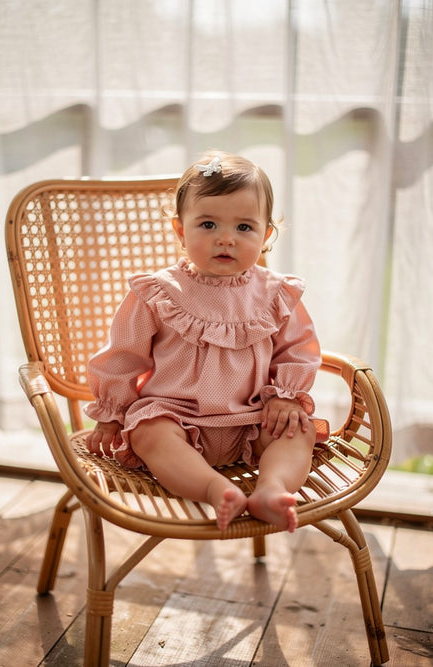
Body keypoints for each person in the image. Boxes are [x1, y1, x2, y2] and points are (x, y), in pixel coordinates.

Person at [85, 150, 328, 533]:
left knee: (297, 430)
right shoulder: (159, 292)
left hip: (252, 417)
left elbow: (298, 350)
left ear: (266, 235)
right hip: (174, 416)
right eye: (208, 224)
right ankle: (215, 489)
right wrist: (112, 412)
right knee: (149, 432)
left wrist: (285, 395)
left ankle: (272, 488)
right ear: (181, 230)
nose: (226, 239)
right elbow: (122, 355)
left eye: (244, 227)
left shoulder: (276, 294)